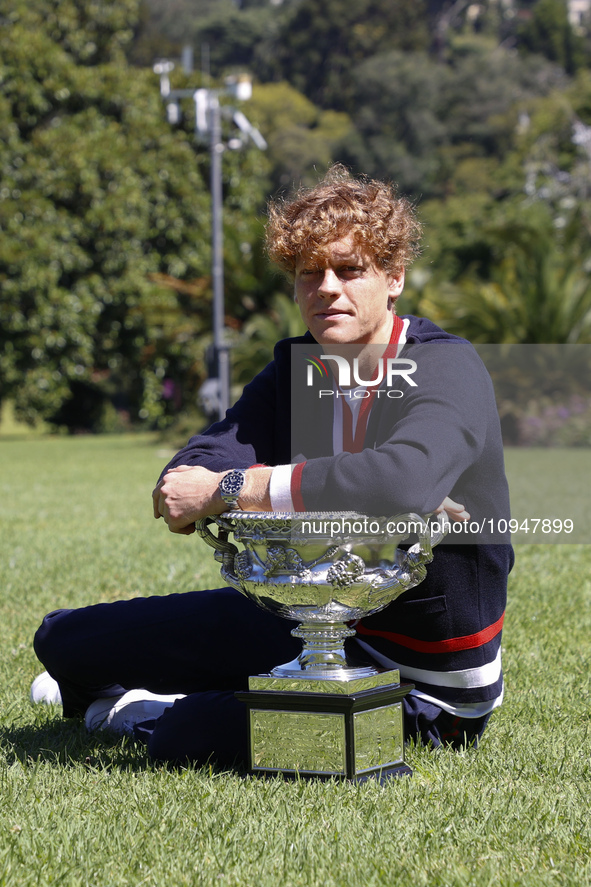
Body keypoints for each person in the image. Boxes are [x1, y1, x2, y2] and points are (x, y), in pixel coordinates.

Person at [32, 166, 513, 765]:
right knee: (64, 640)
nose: (327, 288)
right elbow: (210, 453)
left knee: (192, 733)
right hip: (306, 619)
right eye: (309, 272)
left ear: (394, 278)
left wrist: (235, 488)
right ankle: (107, 690)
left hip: (422, 685)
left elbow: (402, 480)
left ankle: (141, 711)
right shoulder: (298, 367)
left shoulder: (448, 367)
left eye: (349, 269)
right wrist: (192, 482)